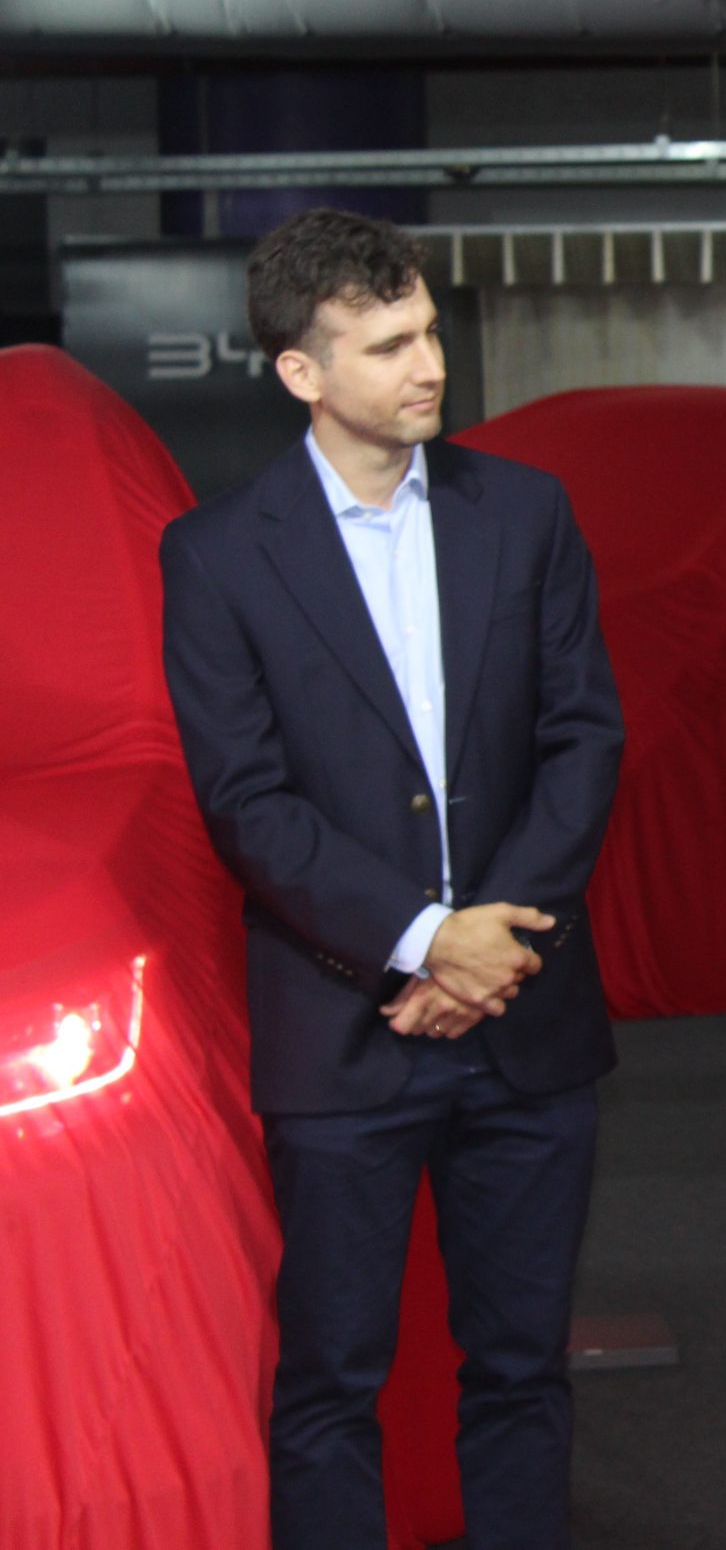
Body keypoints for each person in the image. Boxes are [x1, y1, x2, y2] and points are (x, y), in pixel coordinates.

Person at [160, 208, 622, 1550]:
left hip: (526, 1021)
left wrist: (491, 952)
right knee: (330, 1382)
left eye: (429, 331)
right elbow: (248, 804)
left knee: (524, 1367)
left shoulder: (524, 512)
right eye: (388, 345)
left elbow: (583, 740)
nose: (429, 365)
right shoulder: (217, 554)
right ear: (301, 371)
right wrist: (424, 940)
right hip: (342, 1031)